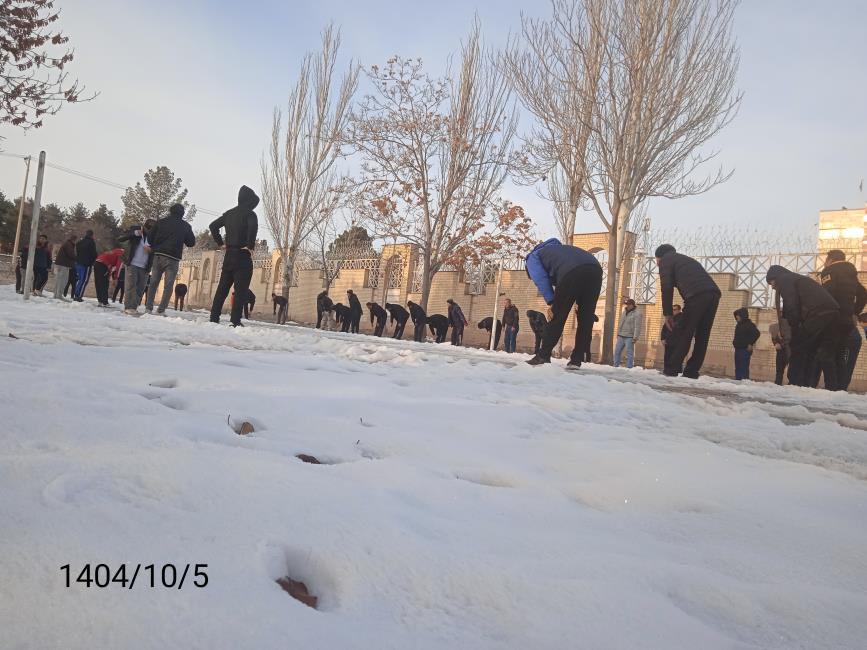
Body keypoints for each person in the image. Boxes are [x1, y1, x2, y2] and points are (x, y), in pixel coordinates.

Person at [524, 238, 603, 368]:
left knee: (557, 317)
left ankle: (543, 356)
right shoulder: (558, 251)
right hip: (595, 269)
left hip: (572, 272)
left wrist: (552, 302)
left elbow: (541, 279)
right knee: (586, 319)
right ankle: (576, 360)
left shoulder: (532, 257)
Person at [766, 265, 839, 389]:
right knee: (814, 350)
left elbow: (791, 304)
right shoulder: (795, 278)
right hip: (831, 313)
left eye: (771, 282)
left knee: (797, 346)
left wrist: (794, 327)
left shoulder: (784, 279)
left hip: (818, 313)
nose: (772, 287)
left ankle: (795, 385)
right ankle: (810, 385)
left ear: (775, 277)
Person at [656, 244, 721, 378]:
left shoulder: (665, 261)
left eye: (656, 261)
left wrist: (667, 314)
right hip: (713, 294)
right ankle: (692, 371)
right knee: (702, 335)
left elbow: (666, 288)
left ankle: (671, 369)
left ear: (659, 257)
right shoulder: (684, 259)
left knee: (683, 332)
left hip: (696, 296)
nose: (657, 264)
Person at [208, 187, 259, 326]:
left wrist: (220, 243)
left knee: (222, 289)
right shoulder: (250, 214)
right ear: (250, 201)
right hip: (242, 255)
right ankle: (235, 321)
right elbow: (253, 227)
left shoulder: (229, 214)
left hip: (229, 254)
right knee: (240, 291)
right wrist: (250, 245)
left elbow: (213, 226)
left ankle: (214, 317)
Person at [819, 250, 867, 390]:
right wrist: (854, 313)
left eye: (826, 259)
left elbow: (828, 295)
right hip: (847, 321)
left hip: (833, 319)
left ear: (830, 259)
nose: (825, 263)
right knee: (839, 354)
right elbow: (863, 294)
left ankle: (831, 388)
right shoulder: (851, 274)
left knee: (826, 353)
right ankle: (839, 389)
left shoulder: (830, 270)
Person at [147, 204, 196, 314]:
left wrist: (156, 245)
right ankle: (161, 310)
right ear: (182, 214)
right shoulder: (185, 226)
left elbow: (149, 238)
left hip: (158, 255)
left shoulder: (160, 222)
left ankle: (148, 308)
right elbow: (191, 243)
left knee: (153, 282)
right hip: (173, 258)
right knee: (168, 286)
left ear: (170, 211)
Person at [118, 219, 155, 315]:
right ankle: (128, 307)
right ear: (144, 226)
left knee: (140, 288)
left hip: (145, 266)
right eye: (147, 229)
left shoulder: (154, 237)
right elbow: (120, 238)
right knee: (131, 286)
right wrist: (135, 233)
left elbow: (157, 249)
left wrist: (151, 250)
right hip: (132, 263)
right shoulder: (135, 230)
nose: (149, 231)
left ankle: (134, 307)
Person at [732, 308, 760, 380]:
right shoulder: (738, 325)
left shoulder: (750, 325)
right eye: (736, 316)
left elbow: (757, 333)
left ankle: (744, 381)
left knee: (744, 367)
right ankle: (738, 380)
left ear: (742, 315)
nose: (737, 317)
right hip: (737, 349)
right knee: (738, 367)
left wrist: (750, 343)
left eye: (738, 316)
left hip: (745, 350)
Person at [613, 298, 642, 369]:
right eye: (627, 304)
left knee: (629, 353)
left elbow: (637, 326)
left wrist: (635, 337)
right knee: (617, 351)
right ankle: (615, 366)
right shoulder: (624, 311)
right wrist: (618, 333)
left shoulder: (637, 313)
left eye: (629, 304)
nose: (627, 306)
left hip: (630, 336)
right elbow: (621, 323)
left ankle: (629, 367)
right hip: (621, 335)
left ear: (632, 305)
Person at [73, 229, 98, 301]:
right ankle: (79, 296)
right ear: (92, 235)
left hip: (78, 263)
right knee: (84, 280)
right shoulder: (91, 242)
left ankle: (76, 293)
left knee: (79, 279)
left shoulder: (80, 242)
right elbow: (94, 254)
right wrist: (92, 261)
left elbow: (77, 251)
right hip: (86, 264)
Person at [53, 234, 77, 300]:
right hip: (63, 265)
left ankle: (56, 295)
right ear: (74, 240)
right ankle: (59, 295)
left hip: (59, 264)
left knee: (58, 280)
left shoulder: (66, 243)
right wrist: (77, 258)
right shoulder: (69, 245)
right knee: (63, 281)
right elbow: (71, 254)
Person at [842, 320, 863, 391]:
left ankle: (842, 388)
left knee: (846, 365)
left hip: (851, 339)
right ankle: (842, 387)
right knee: (846, 365)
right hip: (851, 337)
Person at [660, 304, 683, 371]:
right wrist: (663, 338)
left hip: (678, 342)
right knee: (667, 356)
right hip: (668, 341)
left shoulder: (682, 318)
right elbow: (664, 329)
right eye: (672, 310)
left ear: (679, 310)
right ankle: (666, 370)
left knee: (676, 357)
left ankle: (677, 371)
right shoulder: (670, 318)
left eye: (675, 310)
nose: (673, 311)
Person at [769, 322, 789, 386]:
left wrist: (781, 345)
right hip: (780, 352)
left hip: (789, 352)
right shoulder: (775, 327)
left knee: (790, 371)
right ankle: (777, 384)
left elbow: (789, 340)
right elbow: (774, 338)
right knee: (779, 371)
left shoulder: (790, 327)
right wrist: (776, 343)